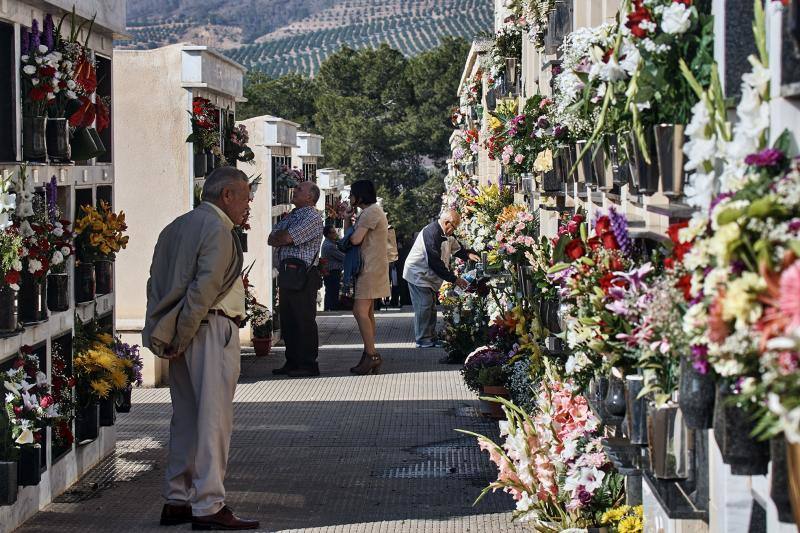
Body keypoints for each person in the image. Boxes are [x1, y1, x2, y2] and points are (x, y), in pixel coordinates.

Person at [142, 167, 258, 530]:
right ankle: (208, 504)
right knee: (213, 420)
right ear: (226, 196)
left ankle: (177, 499)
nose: (248, 206)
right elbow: (204, 289)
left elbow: (156, 283)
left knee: (187, 419)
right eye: (245, 198)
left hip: (183, 332)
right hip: (208, 330)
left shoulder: (175, 227)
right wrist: (184, 334)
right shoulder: (218, 230)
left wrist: (167, 333)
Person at [268, 180, 324, 378]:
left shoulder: (312, 217)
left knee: (303, 319)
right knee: (289, 319)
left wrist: (283, 236)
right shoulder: (295, 214)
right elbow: (271, 237)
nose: (295, 191)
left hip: (303, 275)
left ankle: (308, 363)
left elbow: (284, 238)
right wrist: (282, 236)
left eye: (300, 189)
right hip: (288, 273)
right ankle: (292, 361)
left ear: (310, 197)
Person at [403, 209, 478, 348]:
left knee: (430, 306)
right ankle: (422, 339)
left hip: (427, 276)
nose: (454, 230)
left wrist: (467, 255)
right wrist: (454, 279)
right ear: (446, 222)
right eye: (454, 226)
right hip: (418, 274)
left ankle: (430, 337)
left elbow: (456, 248)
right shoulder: (431, 233)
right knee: (424, 305)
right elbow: (434, 262)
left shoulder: (447, 233)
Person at [343, 179, 390, 375]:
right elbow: (350, 236)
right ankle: (368, 353)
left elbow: (354, 239)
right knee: (367, 312)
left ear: (359, 196)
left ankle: (371, 355)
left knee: (359, 310)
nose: (350, 198)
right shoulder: (369, 212)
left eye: (352, 194)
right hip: (371, 267)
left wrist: (352, 223)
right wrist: (347, 218)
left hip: (370, 268)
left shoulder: (371, 212)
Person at [321, 225, 345, 311]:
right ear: (328, 235)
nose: (335, 234)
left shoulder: (331, 243)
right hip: (332, 272)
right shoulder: (329, 246)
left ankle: (330, 308)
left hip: (332, 271)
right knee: (332, 292)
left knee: (331, 291)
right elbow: (342, 257)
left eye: (335, 231)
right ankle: (331, 309)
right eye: (333, 232)